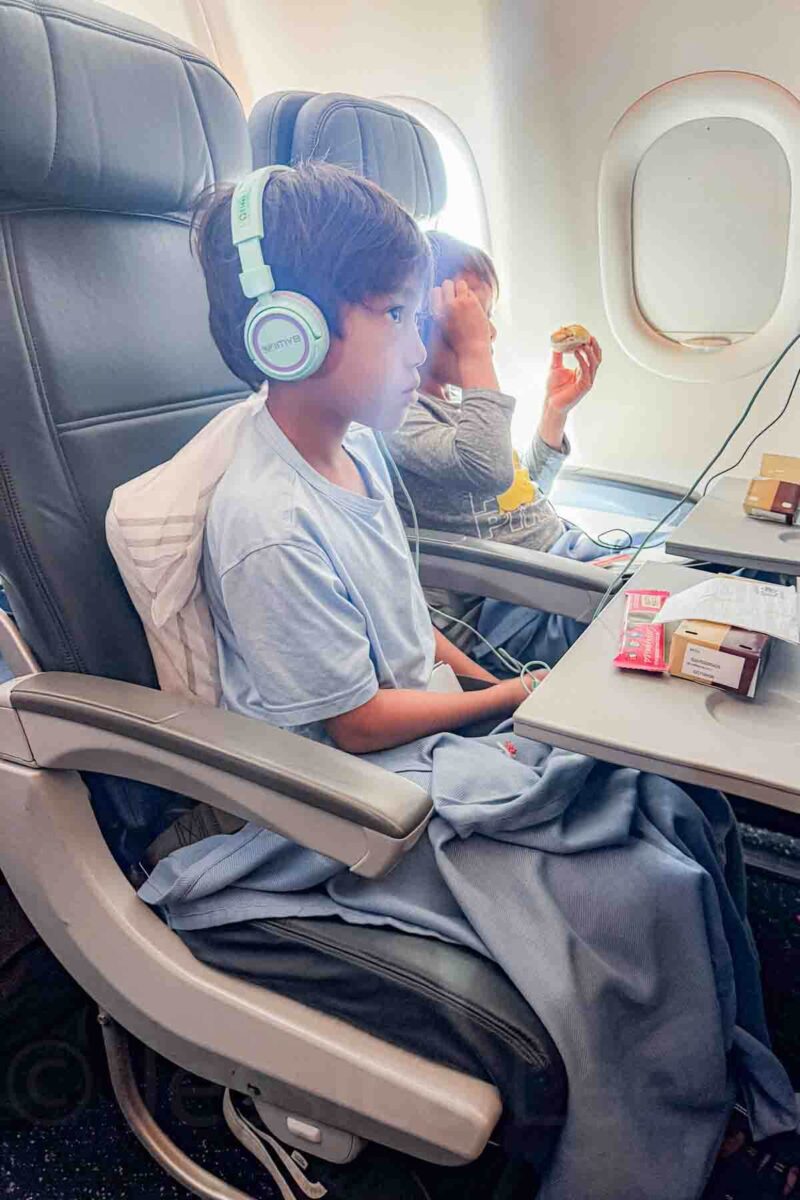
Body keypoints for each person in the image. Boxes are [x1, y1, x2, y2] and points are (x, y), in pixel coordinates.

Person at [136, 162, 798, 1200]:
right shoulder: (267, 523)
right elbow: (354, 723)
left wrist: (499, 680)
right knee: (632, 889)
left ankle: (713, 1085)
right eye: (397, 314)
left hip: (430, 745)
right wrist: (512, 703)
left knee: (666, 795)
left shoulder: (361, 457)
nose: (419, 346)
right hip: (341, 802)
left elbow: (410, 625)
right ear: (289, 333)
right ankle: (665, 1152)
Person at [385, 231, 604, 670]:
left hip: (560, 565)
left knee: (708, 571)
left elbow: (511, 497)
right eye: (473, 316)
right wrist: (475, 351)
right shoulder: (398, 415)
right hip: (521, 607)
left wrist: (552, 414)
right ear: (423, 318)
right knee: (682, 602)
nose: (489, 333)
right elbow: (487, 470)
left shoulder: (456, 405)